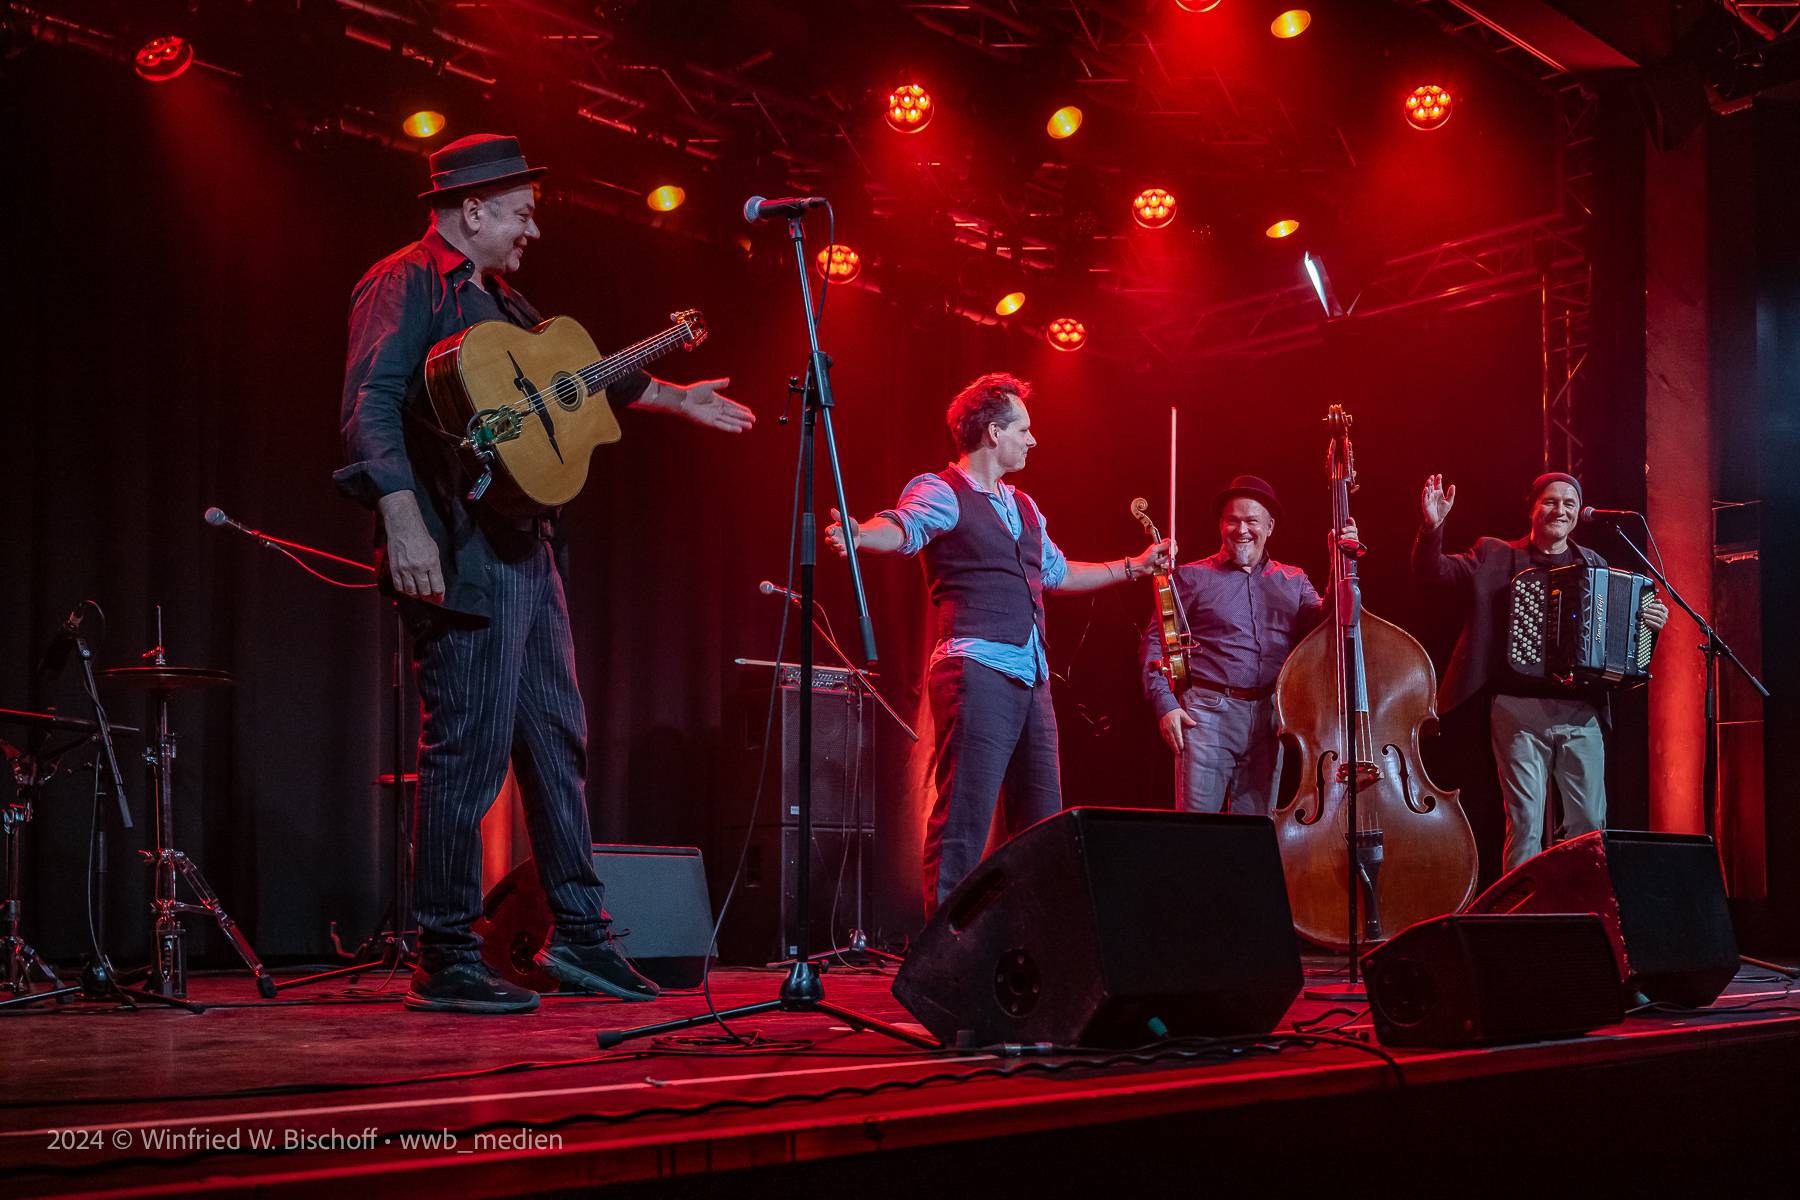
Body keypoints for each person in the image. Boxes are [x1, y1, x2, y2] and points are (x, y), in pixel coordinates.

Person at [336, 133, 754, 1013]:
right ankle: (446, 952)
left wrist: (676, 398)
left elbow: (578, 377)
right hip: (459, 547)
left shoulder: (505, 299)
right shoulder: (406, 282)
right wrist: (401, 517)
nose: (532, 231)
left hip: (526, 546)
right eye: (521, 215)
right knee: (468, 752)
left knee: (558, 746)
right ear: (471, 210)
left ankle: (583, 937)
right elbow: (369, 403)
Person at [824, 373, 1169, 913]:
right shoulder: (943, 490)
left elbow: (1056, 573)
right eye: (1024, 430)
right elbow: (905, 526)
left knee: (1043, 820)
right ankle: (945, 946)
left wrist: (1134, 566)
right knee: (964, 814)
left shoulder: (1025, 506)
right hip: (976, 668)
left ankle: (1034, 936)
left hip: (1031, 675)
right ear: (992, 433)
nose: (1033, 439)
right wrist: (861, 533)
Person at [1411, 471, 1667, 873]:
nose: (1559, 510)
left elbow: (1621, 639)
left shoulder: (1593, 564)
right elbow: (1434, 574)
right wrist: (1432, 528)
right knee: (1526, 822)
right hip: (1518, 709)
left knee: (1589, 822)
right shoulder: (1496, 555)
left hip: (1581, 710)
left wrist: (1647, 623)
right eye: (1550, 501)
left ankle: (1578, 899)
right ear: (1531, 508)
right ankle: (1524, 906)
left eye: (1569, 503)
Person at [1142, 475, 1342, 816]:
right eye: (1232, 520)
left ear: (1270, 526)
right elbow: (1154, 642)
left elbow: (1325, 624)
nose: (1242, 529)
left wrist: (1341, 565)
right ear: (1221, 525)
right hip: (1207, 715)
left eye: (1251, 521)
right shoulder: (1191, 577)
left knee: (1254, 832)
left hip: (1270, 719)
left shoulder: (1293, 580)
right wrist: (1165, 704)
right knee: (1197, 829)